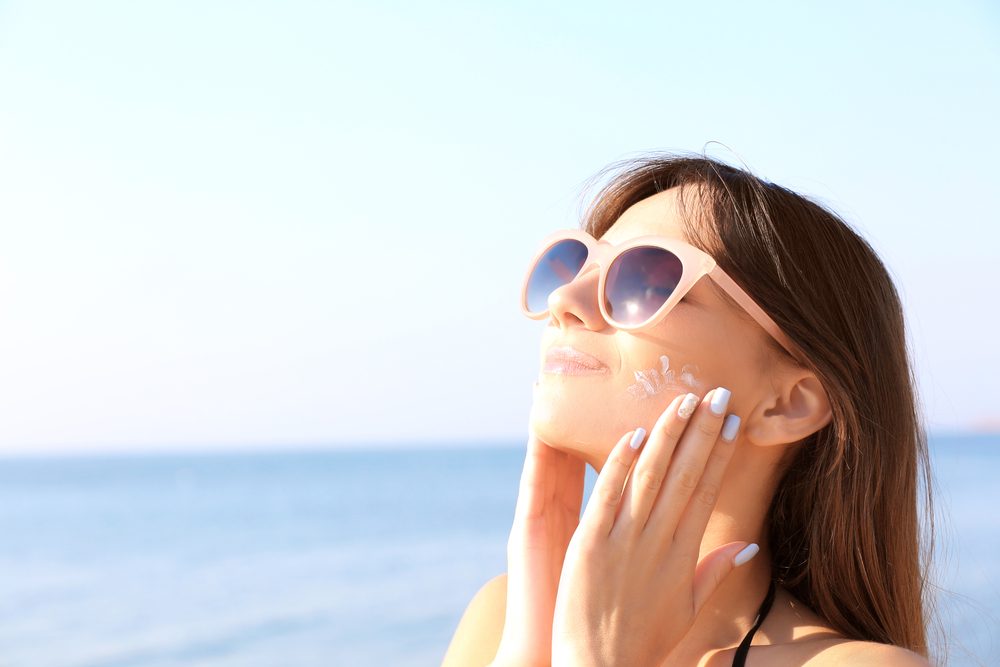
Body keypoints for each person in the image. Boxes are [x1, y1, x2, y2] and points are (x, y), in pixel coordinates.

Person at [441, 152, 935, 666]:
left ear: (786, 404)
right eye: (572, 264)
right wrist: (528, 650)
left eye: (643, 281)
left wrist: (599, 657)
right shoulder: (501, 618)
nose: (565, 298)